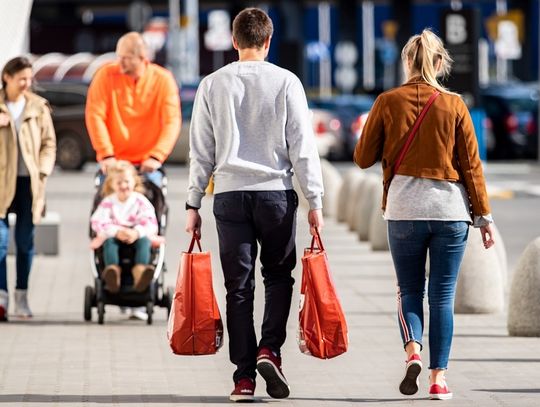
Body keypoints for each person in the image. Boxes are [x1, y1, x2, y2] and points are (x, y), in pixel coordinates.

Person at [185, 8, 324, 402]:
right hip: (276, 195)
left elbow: (201, 152)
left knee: (238, 287)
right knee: (279, 277)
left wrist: (192, 203)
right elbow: (303, 148)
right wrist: (315, 199)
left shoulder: (212, 84)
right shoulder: (286, 82)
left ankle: (243, 378)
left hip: (228, 196)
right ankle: (270, 350)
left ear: (233, 41)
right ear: (268, 40)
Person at [354, 29, 495, 400]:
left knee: (409, 290)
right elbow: (472, 167)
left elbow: (362, 158)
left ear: (406, 63)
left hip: (404, 211)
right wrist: (483, 218)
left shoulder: (387, 101)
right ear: (437, 63)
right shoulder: (455, 105)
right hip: (450, 213)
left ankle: (413, 350)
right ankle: (439, 378)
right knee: (443, 297)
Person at [0, 56, 56, 321]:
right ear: (6, 77)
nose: (26, 83)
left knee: (25, 242)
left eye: (29, 78)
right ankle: (1, 298)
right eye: (21, 78)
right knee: (0, 244)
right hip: (1, 185)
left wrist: (43, 171)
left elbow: (49, 144)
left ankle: (21, 297)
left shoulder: (38, 107)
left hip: (28, 185)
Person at [85, 31, 181, 186]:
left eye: (126, 58)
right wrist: (106, 155)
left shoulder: (163, 79)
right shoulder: (105, 75)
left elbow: (172, 121)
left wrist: (157, 156)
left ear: (143, 58)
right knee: (104, 204)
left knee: (154, 202)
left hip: (148, 162)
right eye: (119, 56)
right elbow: (95, 115)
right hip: (114, 162)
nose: (120, 62)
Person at [90, 160, 162, 294]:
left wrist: (136, 232)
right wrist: (116, 232)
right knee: (109, 243)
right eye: (119, 183)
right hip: (115, 236)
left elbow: (149, 220)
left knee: (145, 242)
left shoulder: (140, 201)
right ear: (111, 184)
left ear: (134, 182)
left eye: (126, 182)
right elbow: (99, 221)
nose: (123, 185)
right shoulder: (108, 202)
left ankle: (140, 272)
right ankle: (113, 272)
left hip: (136, 235)